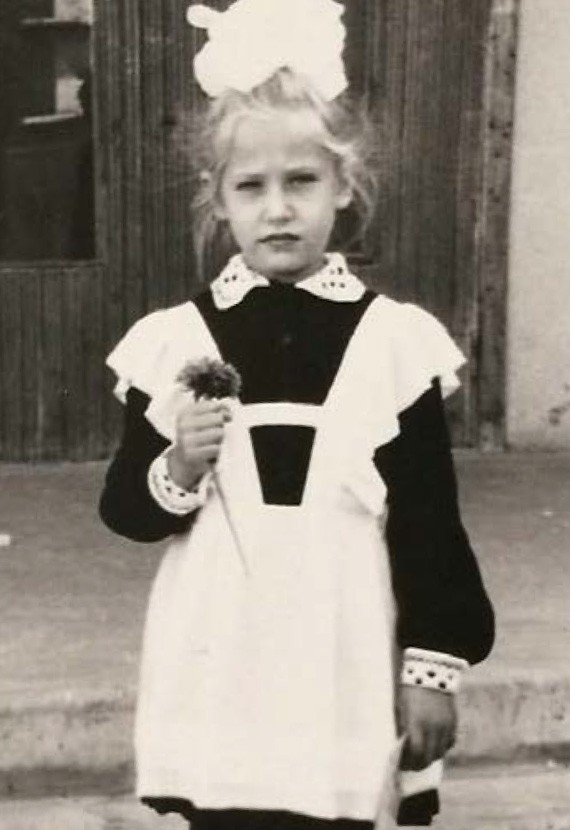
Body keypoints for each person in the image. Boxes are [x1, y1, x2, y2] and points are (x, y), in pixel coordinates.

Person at [99, 1, 495, 827]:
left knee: (335, 810)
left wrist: (431, 668)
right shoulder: (174, 341)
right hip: (221, 660)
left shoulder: (393, 343)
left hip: (340, 657)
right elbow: (128, 513)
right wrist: (178, 464)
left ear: (343, 186)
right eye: (251, 186)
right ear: (218, 199)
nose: (277, 208)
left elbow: (427, 518)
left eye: (301, 181)